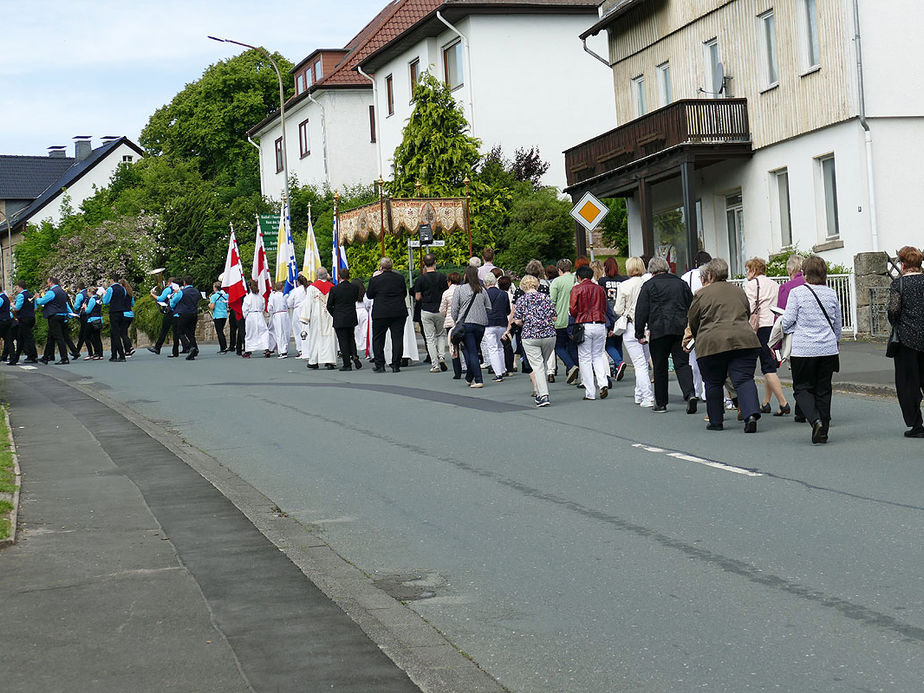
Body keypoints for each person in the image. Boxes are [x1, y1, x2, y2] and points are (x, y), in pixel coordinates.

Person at [687, 258, 762, 432]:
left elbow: (693, 319)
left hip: (712, 342)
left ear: (710, 275)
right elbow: (746, 312)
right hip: (743, 340)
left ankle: (716, 420)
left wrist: (699, 336)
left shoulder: (701, 294)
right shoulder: (739, 291)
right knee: (744, 378)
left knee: (713, 381)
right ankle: (750, 414)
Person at [781, 256, 842, 444]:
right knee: (824, 389)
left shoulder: (797, 293)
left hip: (804, 350)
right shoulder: (831, 293)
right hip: (828, 349)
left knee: (802, 389)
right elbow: (837, 324)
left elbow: (788, 320)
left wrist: (786, 329)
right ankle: (824, 429)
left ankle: (815, 421)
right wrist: (835, 342)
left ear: (805, 273)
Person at [634, 257, 696, 413]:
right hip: (679, 329)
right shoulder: (681, 284)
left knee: (660, 367)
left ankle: (661, 403)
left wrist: (639, 332)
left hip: (659, 329)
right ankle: (690, 393)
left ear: (652, 271)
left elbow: (641, 310)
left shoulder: (648, 285)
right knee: (682, 364)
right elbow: (691, 306)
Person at [744, 257, 790, 416]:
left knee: (767, 367)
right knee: (770, 364)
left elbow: (749, 308)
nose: (747, 273)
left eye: (748, 269)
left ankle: (783, 403)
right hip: (775, 327)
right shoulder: (775, 285)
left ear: (754, 270)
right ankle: (766, 402)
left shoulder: (751, 285)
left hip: (761, 328)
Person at [887, 246, 924, 438]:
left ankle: (917, 425)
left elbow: (893, 311)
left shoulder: (899, 285)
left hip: (906, 341)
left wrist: (898, 323)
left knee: (908, 384)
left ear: (903, 264)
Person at [509, 274, 557, 407]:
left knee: (537, 366)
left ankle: (543, 395)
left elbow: (517, 320)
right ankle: (543, 391)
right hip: (549, 335)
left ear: (523, 286)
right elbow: (554, 318)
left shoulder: (522, 300)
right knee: (543, 364)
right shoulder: (546, 298)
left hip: (530, 335)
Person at [615, 257, 654, 407]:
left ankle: (647, 396)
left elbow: (618, 309)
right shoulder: (648, 283)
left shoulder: (624, 285)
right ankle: (639, 393)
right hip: (647, 326)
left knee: (639, 364)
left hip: (631, 326)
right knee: (644, 361)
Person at [570, 264, 610, 401]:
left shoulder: (576, 289)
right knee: (598, 355)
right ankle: (603, 383)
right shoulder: (600, 289)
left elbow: (573, 309)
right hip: (599, 323)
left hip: (584, 324)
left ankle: (590, 392)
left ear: (579, 277)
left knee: (585, 358)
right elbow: (604, 307)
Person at [451, 265, 492, 388]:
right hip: (481, 324)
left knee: (472, 352)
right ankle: (469, 377)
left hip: (466, 324)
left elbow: (454, 309)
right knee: (475, 349)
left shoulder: (459, 289)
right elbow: (489, 308)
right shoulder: (482, 289)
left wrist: (456, 320)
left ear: (466, 276)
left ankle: (478, 379)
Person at [366, 257, 408, 373]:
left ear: (381, 267)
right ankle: (396, 364)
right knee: (397, 338)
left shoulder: (375, 280)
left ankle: (380, 364)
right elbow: (404, 293)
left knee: (378, 339)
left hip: (381, 312)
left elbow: (369, 295)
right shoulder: (399, 278)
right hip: (398, 311)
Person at [681, 251, 712, 400]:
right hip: (710, 318)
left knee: (693, 357)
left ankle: (696, 389)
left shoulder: (687, 277)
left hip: (693, 318)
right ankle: (707, 391)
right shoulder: (714, 274)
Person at [413, 253, 449, 372]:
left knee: (430, 338)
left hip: (426, 309)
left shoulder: (420, 279)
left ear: (423, 263)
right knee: (440, 335)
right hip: (439, 309)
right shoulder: (442, 277)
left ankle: (435, 364)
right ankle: (442, 356)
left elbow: (417, 297)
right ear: (435, 262)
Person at [300, 268, 337, 369]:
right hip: (330, 315)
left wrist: (305, 317)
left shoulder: (312, 288)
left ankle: (314, 361)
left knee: (316, 338)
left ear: (317, 276)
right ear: (326, 275)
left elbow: (308, 303)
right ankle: (330, 361)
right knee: (330, 338)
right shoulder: (332, 287)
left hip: (316, 316)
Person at [549, 259, 579, 384]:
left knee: (559, 346)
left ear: (559, 269)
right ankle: (575, 373)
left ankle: (571, 366)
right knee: (572, 346)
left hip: (560, 319)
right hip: (574, 319)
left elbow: (552, 301)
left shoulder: (556, 282)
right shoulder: (575, 280)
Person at [598, 257, 627, 382]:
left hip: (609, 314)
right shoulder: (624, 280)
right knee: (618, 342)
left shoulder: (602, 281)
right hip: (621, 315)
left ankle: (619, 362)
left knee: (609, 344)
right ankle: (618, 367)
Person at [327, 268, 361, 371]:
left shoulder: (334, 289)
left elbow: (329, 305)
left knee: (343, 341)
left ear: (339, 276)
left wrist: (335, 314)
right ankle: (354, 355)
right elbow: (355, 299)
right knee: (351, 337)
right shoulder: (354, 288)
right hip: (351, 315)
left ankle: (347, 363)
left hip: (339, 317)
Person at [36, 277, 72, 364]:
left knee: (59, 338)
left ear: (51, 282)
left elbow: (41, 302)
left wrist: (37, 297)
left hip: (54, 316)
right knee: (50, 338)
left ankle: (64, 358)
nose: (47, 284)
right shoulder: (62, 291)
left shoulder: (52, 292)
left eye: (48, 283)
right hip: (62, 315)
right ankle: (45, 357)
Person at [481, 272, 510, 382]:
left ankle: (498, 373)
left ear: (485, 283)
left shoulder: (484, 294)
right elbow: (507, 310)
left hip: (489, 324)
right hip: (502, 322)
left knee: (492, 348)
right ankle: (502, 369)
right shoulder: (503, 294)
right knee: (500, 347)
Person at [148, 277, 187, 355]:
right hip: (179, 312)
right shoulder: (182, 290)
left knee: (164, 330)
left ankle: (157, 348)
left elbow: (160, 299)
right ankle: (186, 346)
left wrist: (152, 294)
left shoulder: (168, 290)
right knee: (178, 331)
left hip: (170, 311)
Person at [100, 274, 130, 362]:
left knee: (116, 334)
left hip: (114, 312)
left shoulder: (110, 289)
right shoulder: (123, 289)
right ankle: (113, 355)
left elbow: (105, 301)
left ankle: (121, 355)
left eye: (110, 280)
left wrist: (104, 294)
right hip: (122, 312)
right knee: (114, 333)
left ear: (112, 280)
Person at [440, 271, 464, 379]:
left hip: (450, 322)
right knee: (465, 345)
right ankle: (466, 366)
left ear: (449, 282)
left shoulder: (446, 293)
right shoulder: (464, 290)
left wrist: (446, 314)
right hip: (463, 321)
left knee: (453, 347)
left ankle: (457, 372)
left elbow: (442, 310)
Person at [9, 281, 37, 365]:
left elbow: (17, 308)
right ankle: (17, 358)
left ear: (20, 287)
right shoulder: (31, 295)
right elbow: (35, 308)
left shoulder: (21, 295)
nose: (16, 289)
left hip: (24, 319)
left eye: (17, 287)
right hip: (31, 318)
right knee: (21, 338)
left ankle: (33, 356)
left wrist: (11, 304)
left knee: (27, 338)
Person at [242, 279, 270, 358]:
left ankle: (248, 351)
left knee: (250, 333)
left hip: (251, 315)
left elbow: (245, 309)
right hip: (259, 315)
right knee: (263, 332)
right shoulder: (260, 296)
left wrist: (245, 316)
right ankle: (266, 348)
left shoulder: (248, 297)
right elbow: (263, 306)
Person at [265, 281, 290, 359]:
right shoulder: (284, 295)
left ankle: (281, 351)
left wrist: (272, 313)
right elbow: (288, 304)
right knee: (286, 332)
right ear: (282, 288)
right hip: (284, 314)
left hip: (277, 314)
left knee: (279, 333)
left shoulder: (273, 296)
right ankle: (284, 349)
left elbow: (269, 308)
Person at [286, 275, 309, 357]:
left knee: (298, 331)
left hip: (298, 310)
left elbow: (289, 303)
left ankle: (301, 349)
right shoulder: (308, 289)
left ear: (298, 282)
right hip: (307, 310)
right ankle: (307, 348)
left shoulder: (295, 291)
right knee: (307, 330)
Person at [82, 289, 105, 361]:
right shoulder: (98, 299)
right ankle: (100, 354)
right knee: (97, 337)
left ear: (90, 292)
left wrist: (85, 307)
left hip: (92, 320)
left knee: (86, 337)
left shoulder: (92, 299)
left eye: (88, 292)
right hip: (99, 319)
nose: (87, 293)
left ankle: (91, 353)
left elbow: (88, 311)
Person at [72, 282, 91, 358]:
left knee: (84, 335)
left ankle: (90, 353)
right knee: (83, 334)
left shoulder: (80, 295)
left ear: (78, 289)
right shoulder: (88, 293)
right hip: (89, 315)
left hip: (83, 316)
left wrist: (73, 300)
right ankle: (76, 351)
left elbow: (76, 307)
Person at [209, 282, 229, 353]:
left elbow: (212, 307)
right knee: (221, 331)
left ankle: (223, 347)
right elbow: (227, 306)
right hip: (224, 315)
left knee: (219, 332)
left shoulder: (213, 296)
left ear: (215, 288)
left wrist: (209, 305)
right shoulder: (226, 295)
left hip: (217, 315)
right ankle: (224, 346)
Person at [353, 278, 369, 359]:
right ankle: (365, 347)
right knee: (365, 331)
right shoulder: (364, 293)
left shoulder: (351, 293)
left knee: (356, 331)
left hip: (355, 311)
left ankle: (357, 346)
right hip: (363, 311)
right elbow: (367, 303)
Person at [119, 279, 136, 357]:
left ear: (121, 285)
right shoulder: (130, 294)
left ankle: (130, 347)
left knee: (122, 333)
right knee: (124, 332)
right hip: (130, 314)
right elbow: (132, 304)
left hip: (124, 314)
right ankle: (127, 351)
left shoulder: (122, 293)